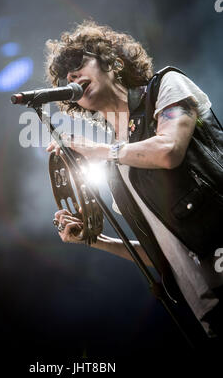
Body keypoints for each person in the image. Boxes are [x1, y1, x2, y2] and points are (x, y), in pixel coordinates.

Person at [44, 20, 223, 344]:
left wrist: (95, 150)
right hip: (206, 311)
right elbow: (161, 250)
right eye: (67, 78)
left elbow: (169, 150)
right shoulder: (118, 165)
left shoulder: (167, 86)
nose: (73, 78)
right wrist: (94, 240)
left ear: (111, 61)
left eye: (79, 65)